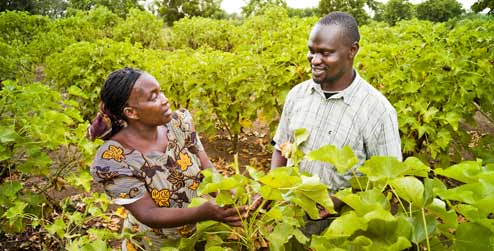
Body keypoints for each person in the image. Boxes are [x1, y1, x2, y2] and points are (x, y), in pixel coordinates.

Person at [271, 12, 402, 233]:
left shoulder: (377, 110)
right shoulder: (297, 95)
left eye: (325, 53)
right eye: (311, 51)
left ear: (352, 51)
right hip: (290, 215)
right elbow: (280, 148)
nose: (315, 59)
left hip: (342, 227)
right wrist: (273, 189)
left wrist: (341, 200)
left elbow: (387, 181)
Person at [88, 67, 247, 251]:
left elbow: (207, 167)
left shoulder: (179, 123)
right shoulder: (114, 159)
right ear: (131, 112)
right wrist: (204, 212)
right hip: (158, 244)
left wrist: (226, 194)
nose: (165, 100)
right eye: (153, 97)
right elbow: (147, 213)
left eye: (160, 91)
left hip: (202, 233)